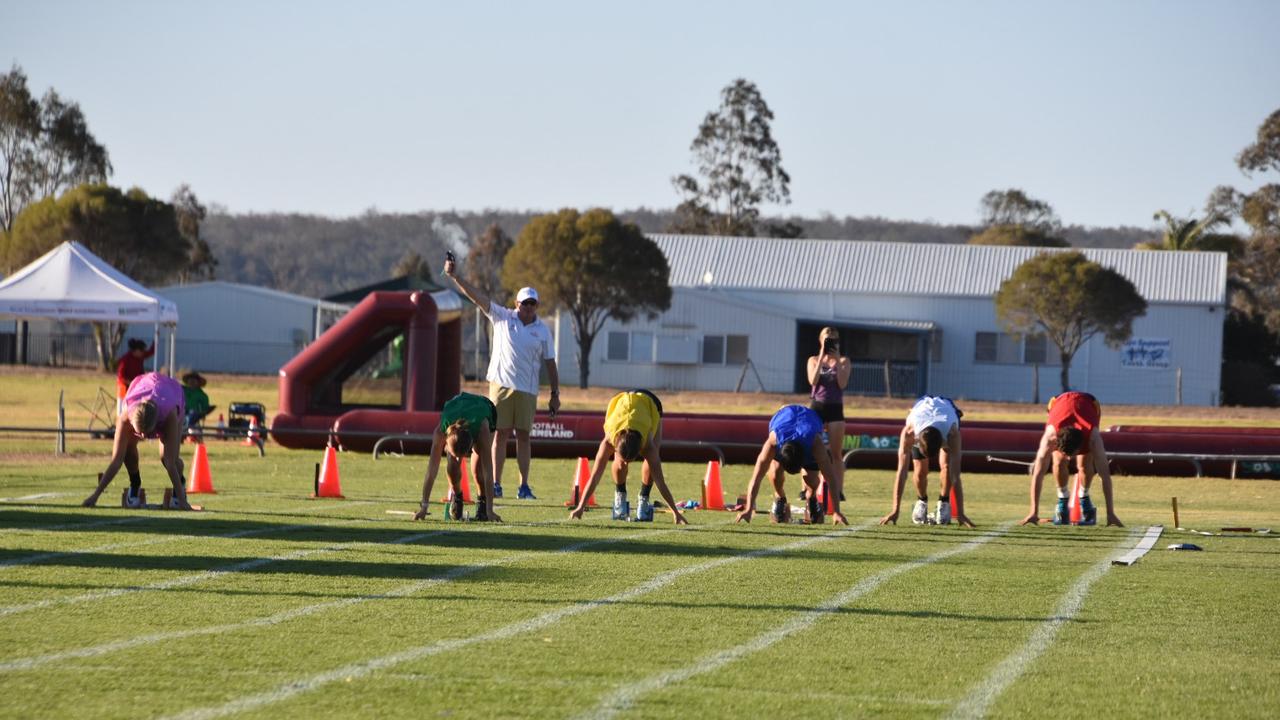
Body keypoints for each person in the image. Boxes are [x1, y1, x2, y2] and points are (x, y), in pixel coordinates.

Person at [443, 256, 560, 501]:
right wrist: (455, 276)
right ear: (516, 303)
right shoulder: (503, 317)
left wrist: (555, 395)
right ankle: (495, 483)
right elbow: (477, 297)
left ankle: (524, 486)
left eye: (532, 304)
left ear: (537, 306)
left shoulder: (543, 331)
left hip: (527, 390)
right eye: (524, 303)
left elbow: (550, 363)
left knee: (524, 436)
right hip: (502, 386)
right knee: (501, 434)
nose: (528, 308)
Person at [568, 389, 687, 525]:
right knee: (619, 464)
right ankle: (620, 494)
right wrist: (580, 507)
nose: (628, 464)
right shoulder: (608, 441)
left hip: (650, 404)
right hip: (620, 404)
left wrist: (675, 513)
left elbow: (661, 482)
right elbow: (595, 476)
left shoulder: (647, 444)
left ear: (640, 449)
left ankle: (644, 496)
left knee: (653, 460)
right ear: (615, 446)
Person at [84, 372, 194, 510]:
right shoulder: (126, 415)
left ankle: (180, 485)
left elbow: (171, 464)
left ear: (156, 425)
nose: (142, 436)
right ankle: (135, 484)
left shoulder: (169, 414)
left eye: (146, 433)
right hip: (142, 386)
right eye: (139, 432)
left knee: (167, 458)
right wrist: (95, 496)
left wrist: (183, 501)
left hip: (172, 394)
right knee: (127, 452)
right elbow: (116, 461)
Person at [1020, 391, 1123, 527]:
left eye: (1072, 454)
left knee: (1085, 464)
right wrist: (1033, 511)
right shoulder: (1051, 436)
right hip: (1058, 403)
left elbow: (1105, 475)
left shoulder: (1093, 437)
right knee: (1059, 461)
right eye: (1066, 453)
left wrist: (1111, 512)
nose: (1069, 458)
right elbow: (1038, 474)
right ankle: (1062, 500)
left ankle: (1084, 497)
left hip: (1089, 404)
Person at [735, 405, 848, 526]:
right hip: (785, 416)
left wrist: (837, 511)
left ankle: (811, 496)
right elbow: (756, 477)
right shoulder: (773, 441)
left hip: (808, 421)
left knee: (812, 480)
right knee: (775, 473)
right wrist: (748, 509)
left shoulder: (816, 443)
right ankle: (780, 497)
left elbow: (830, 477)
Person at [878, 395, 975, 527]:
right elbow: (901, 472)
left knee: (947, 467)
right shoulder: (909, 433)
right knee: (920, 471)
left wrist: (960, 513)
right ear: (917, 441)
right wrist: (895, 510)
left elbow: (955, 476)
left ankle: (944, 502)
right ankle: (921, 500)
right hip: (922, 408)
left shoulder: (952, 434)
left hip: (946, 409)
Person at [413, 391, 501, 522]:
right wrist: (424, 507)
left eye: (463, 455)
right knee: (453, 465)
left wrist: (490, 510)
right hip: (458, 405)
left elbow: (489, 473)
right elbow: (431, 472)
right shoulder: (440, 432)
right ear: (446, 442)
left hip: (483, 408)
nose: (461, 459)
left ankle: (482, 502)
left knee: (478, 471)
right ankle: (457, 497)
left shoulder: (482, 429)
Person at [806, 327, 851, 501]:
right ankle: (807, 488)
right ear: (820, 340)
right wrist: (822, 354)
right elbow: (813, 380)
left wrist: (837, 358)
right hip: (817, 406)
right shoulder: (813, 360)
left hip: (835, 407)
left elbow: (842, 383)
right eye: (827, 339)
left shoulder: (845, 361)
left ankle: (838, 490)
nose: (831, 342)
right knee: (810, 450)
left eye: (834, 339)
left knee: (836, 453)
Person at [115, 338, 155, 414]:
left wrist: (155, 340)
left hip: (135, 387)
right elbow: (120, 376)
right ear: (136, 350)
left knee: (136, 408)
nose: (143, 353)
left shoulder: (140, 356)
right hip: (124, 387)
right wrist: (131, 383)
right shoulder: (125, 360)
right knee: (121, 411)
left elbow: (151, 352)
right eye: (142, 351)